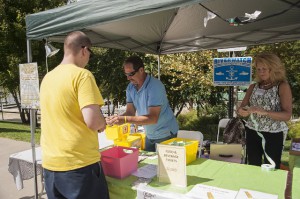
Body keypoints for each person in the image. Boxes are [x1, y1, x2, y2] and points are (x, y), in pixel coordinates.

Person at [40, 31, 109, 199]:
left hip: (51, 165)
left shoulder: (47, 78)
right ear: (84, 50)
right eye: (90, 55)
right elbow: (93, 121)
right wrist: (103, 123)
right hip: (79, 165)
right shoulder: (82, 75)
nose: (88, 59)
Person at [106, 56, 179, 152]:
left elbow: (153, 118)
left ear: (141, 70)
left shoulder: (155, 86)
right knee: (146, 165)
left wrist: (124, 119)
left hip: (166, 134)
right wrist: (116, 118)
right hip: (150, 135)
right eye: (126, 74)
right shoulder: (130, 88)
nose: (128, 78)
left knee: (164, 166)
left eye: (131, 74)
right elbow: (130, 112)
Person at [237, 53, 292, 169]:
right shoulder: (254, 87)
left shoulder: (282, 86)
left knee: (271, 166)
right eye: (258, 69)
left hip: (274, 133)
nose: (261, 72)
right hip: (253, 131)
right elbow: (241, 107)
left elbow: (287, 115)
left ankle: (270, 187)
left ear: (274, 69)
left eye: (264, 69)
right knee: (252, 165)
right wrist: (243, 111)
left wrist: (266, 112)